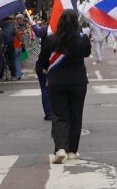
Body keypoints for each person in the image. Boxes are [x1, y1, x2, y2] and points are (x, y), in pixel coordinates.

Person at [39, 11, 91, 163]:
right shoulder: (82, 39)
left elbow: (43, 60)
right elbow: (87, 53)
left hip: (57, 82)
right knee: (76, 116)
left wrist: (44, 68)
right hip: (78, 82)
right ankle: (73, 151)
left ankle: (60, 148)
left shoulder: (51, 39)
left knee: (59, 115)